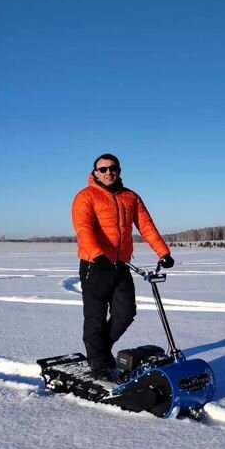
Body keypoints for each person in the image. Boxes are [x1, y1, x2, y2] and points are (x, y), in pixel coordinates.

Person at [71, 153, 174, 379]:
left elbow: (146, 226)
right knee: (95, 317)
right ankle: (98, 365)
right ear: (95, 173)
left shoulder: (131, 197)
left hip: (120, 265)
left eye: (113, 168)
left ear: (119, 170)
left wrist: (163, 252)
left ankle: (100, 350)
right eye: (103, 169)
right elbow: (84, 230)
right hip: (94, 265)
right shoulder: (85, 196)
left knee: (126, 313)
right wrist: (98, 256)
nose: (108, 172)